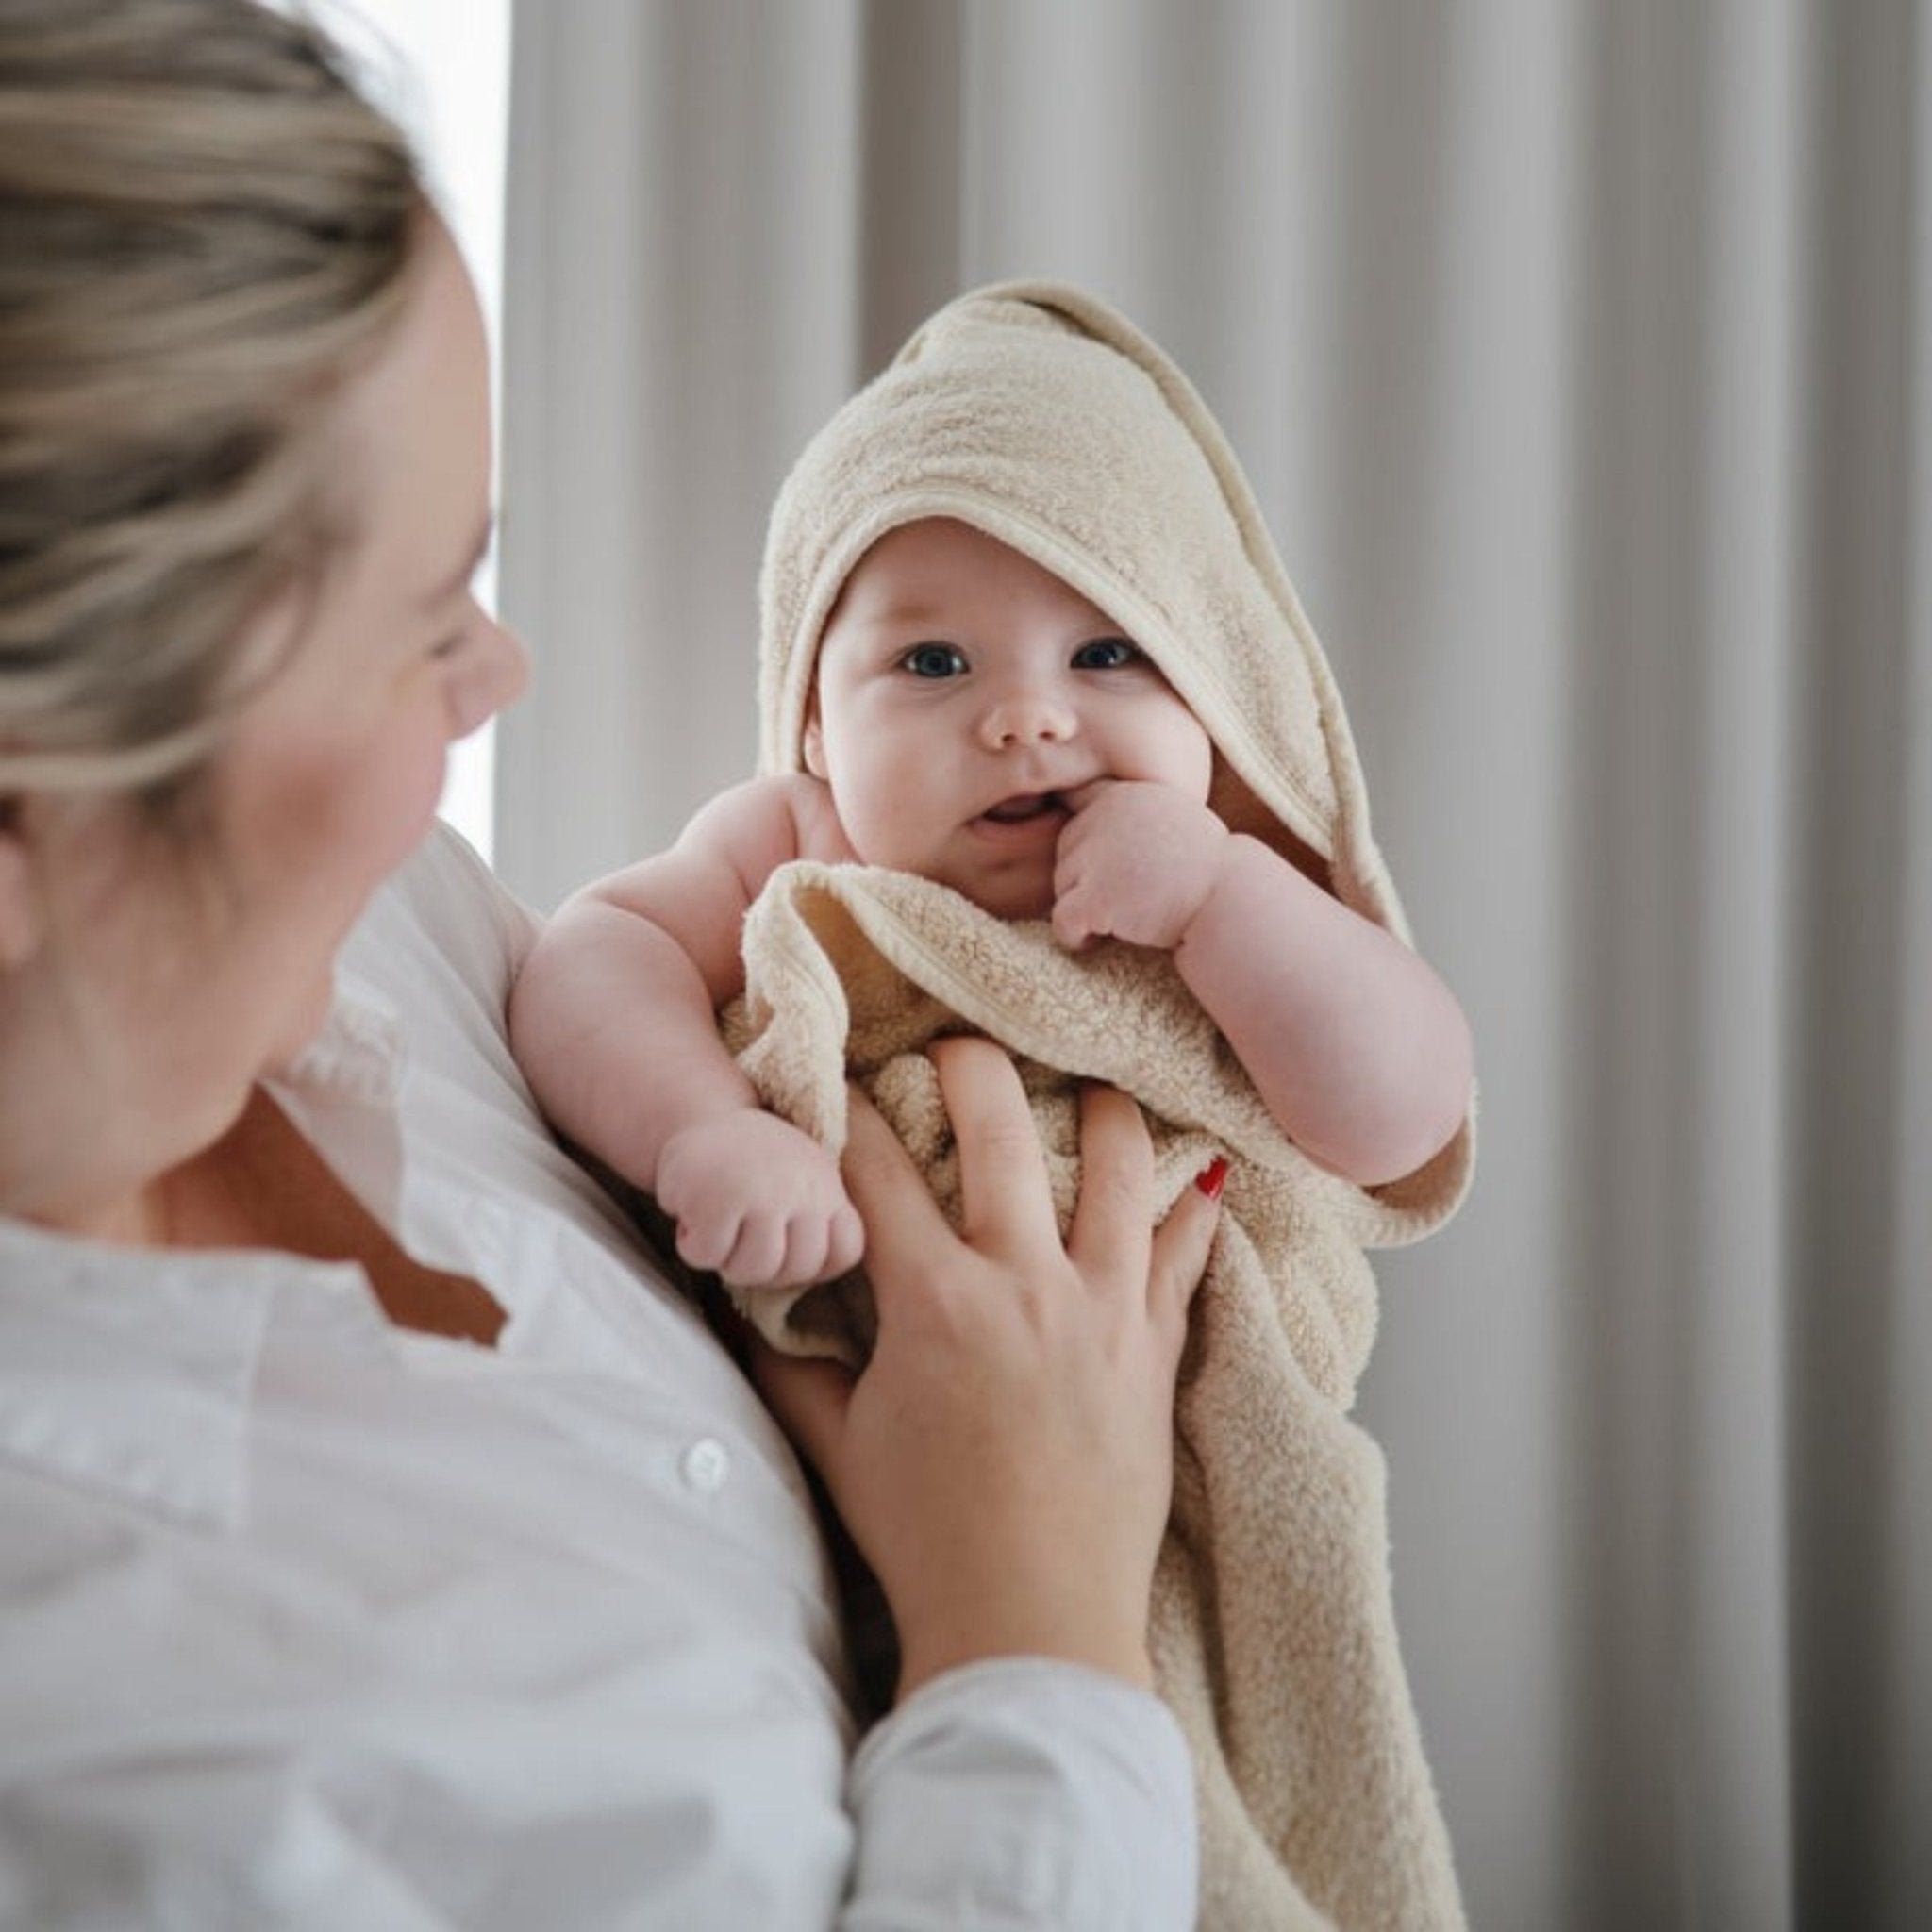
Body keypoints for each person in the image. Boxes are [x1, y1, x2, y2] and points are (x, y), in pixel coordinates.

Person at [0, 7, 1225, 1927]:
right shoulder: (144, 1774)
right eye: (421, 625)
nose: (503, 681)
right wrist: (1039, 1633)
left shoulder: (379, 924)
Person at [508, 284, 1479, 1928]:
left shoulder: (1239, 894)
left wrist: (1220, 904)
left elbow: (1401, 1113)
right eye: (931, 660)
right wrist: (701, 1129)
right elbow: (592, 957)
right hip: (842, 1422)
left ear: (1221, 712)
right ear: (816, 718)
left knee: (1210, 1803)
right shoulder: (793, 839)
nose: (1025, 712)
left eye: (1108, 651)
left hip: (1186, 1465)